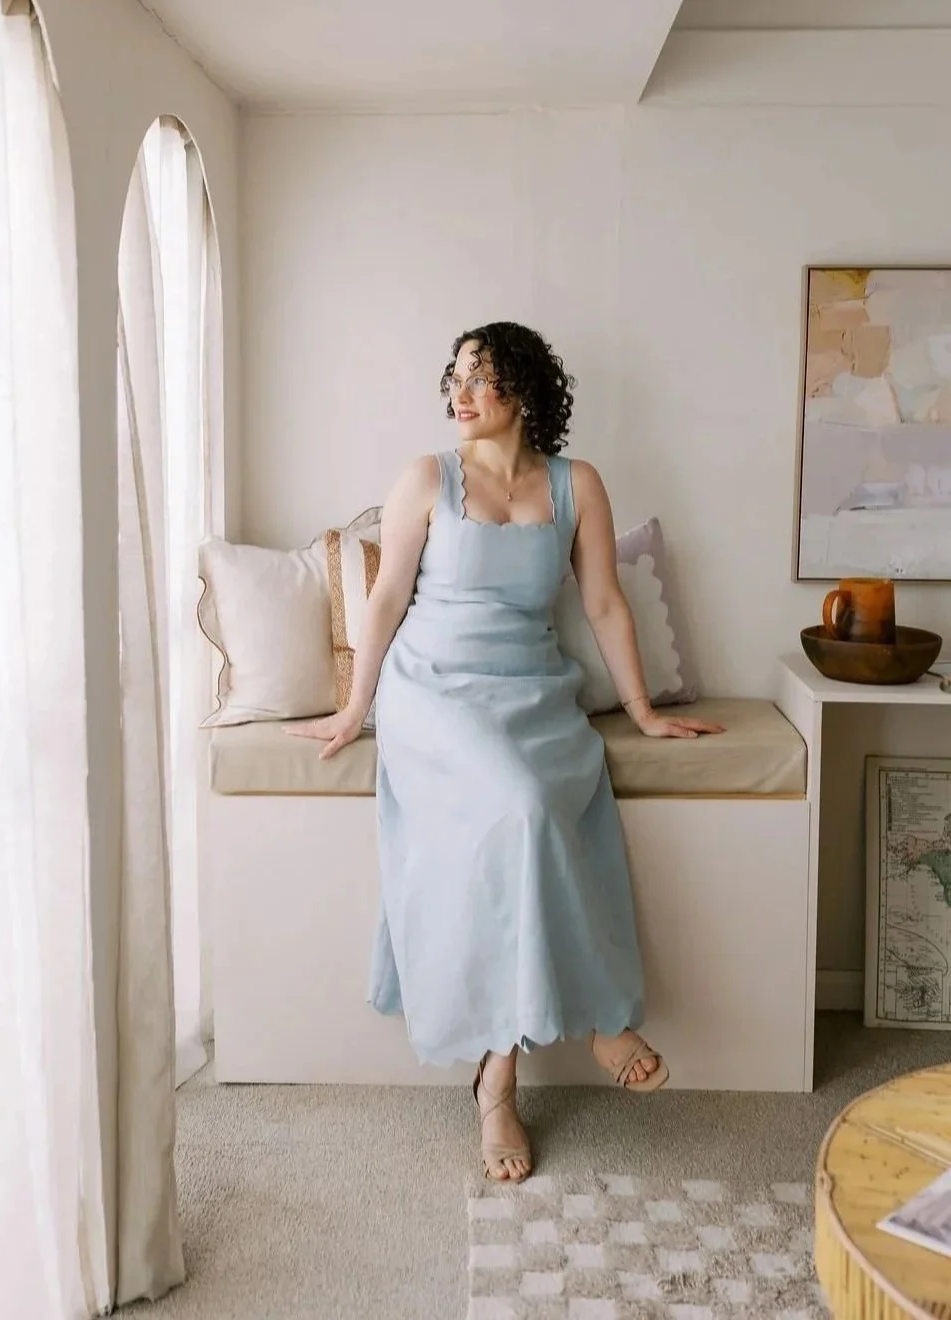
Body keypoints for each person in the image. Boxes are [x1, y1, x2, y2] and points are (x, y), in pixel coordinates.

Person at [288, 322, 724, 1183]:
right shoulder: (427, 479)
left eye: (481, 378)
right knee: (522, 807)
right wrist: (355, 708)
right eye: (454, 376)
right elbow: (384, 601)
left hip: (531, 691)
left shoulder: (577, 485)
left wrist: (641, 709)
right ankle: (583, 1034)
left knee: (540, 800)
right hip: (434, 693)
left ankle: (497, 1076)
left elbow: (603, 603)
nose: (460, 392)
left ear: (523, 390)